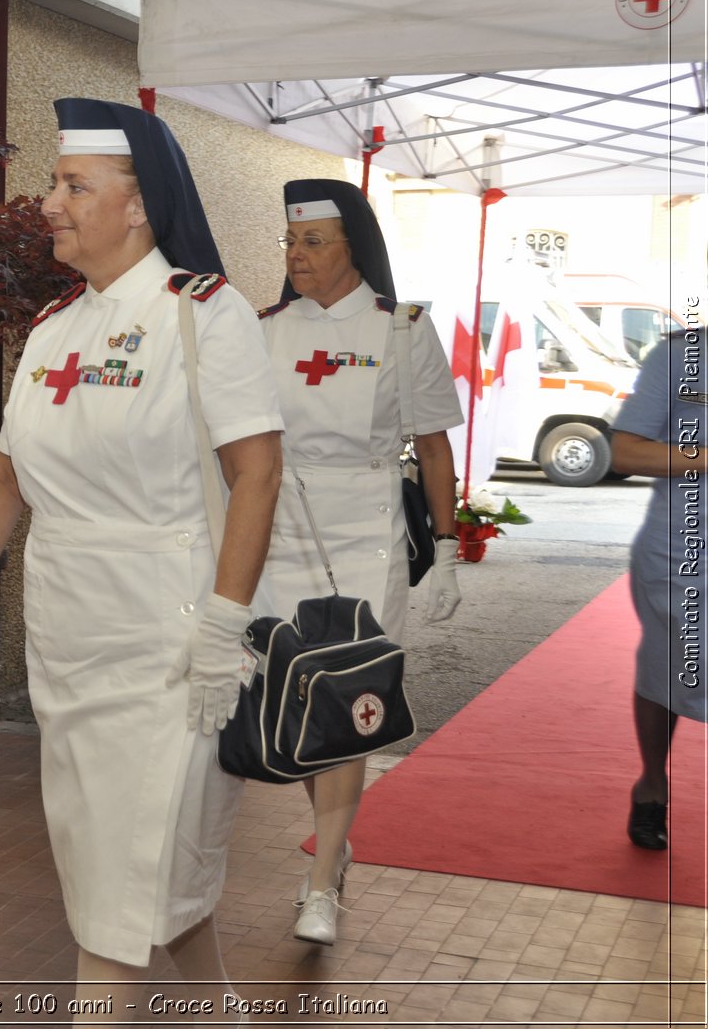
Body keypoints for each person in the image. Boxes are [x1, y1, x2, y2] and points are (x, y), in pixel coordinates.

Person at [0, 98, 282, 1022]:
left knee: (126, 876)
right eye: (57, 182)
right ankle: (222, 1011)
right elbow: (7, 471)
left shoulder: (202, 316)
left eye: (72, 185)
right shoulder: (55, 327)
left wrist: (225, 622)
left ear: (138, 204)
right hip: (69, 639)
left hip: (168, 644)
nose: (48, 202)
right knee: (121, 862)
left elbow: (256, 472)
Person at [255, 179, 463, 946]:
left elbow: (435, 444)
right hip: (284, 529)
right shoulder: (264, 327)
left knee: (350, 698)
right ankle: (334, 843)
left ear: (355, 246)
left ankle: (319, 878)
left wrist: (445, 550)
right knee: (306, 700)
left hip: (368, 529)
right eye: (290, 241)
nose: (295, 255)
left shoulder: (401, 329)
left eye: (313, 241)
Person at [612, 326, 707, 850]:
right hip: (685, 549)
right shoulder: (678, 356)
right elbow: (626, 451)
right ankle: (652, 783)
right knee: (668, 670)